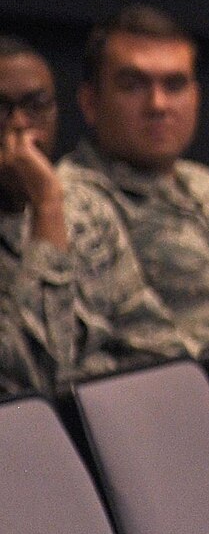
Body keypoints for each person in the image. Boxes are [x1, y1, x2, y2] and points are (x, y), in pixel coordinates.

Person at [61, 5, 209, 352]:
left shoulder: (206, 184)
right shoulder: (74, 201)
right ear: (91, 103)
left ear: (195, 98)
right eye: (133, 85)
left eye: (175, 85)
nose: (158, 104)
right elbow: (134, 346)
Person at [0, 35, 193, 395]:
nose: (21, 125)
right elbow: (31, 380)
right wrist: (46, 207)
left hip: (125, 418)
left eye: (37, 104)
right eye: (1, 108)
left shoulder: (86, 209)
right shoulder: (56, 201)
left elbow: (153, 339)